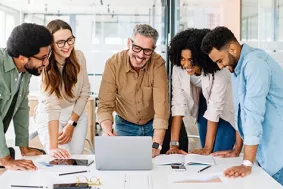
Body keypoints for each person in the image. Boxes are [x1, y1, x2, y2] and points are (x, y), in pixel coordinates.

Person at [201, 26, 283, 189]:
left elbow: (254, 113)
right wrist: (237, 150)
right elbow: (242, 112)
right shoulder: (237, 68)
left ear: (232, 49)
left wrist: (246, 163)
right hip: (271, 144)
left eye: (220, 60)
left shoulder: (255, 63)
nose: (220, 66)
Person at [97, 24, 169, 158]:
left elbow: (161, 108)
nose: (141, 55)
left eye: (147, 51)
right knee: (123, 165)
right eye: (137, 48)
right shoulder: (113, 64)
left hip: (152, 126)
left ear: (154, 49)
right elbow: (105, 105)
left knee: (153, 168)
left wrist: (156, 144)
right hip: (124, 126)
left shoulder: (158, 64)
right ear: (129, 43)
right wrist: (107, 131)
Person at [167, 28, 238, 155]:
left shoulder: (220, 69)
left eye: (191, 60)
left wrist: (207, 147)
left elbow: (215, 107)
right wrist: (174, 145)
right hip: (203, 103)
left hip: (226, 107)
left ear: (201, 58)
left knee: (217, 153)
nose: (186, 64)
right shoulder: (178, 68)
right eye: (183, 59)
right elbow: (178, 103)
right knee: (206, 154)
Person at [0, 23, 53, 170]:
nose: (46, 62)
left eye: (47, 56)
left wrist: (24, 147)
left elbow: (22, 107)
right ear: (22, 58)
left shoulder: (24, 70)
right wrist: (5, 159)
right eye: (42, 58)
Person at [35, 19, 90, 159]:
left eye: (70, 40)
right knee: (61, 158)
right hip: (50, 115)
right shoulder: (45, 64)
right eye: (60, 42)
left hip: (75, 113)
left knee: (76, 158)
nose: (67, 46)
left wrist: (72, 123)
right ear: (51, 45)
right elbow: (52, 107)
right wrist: (54, 148)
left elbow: (84, 92)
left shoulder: (79, 57)